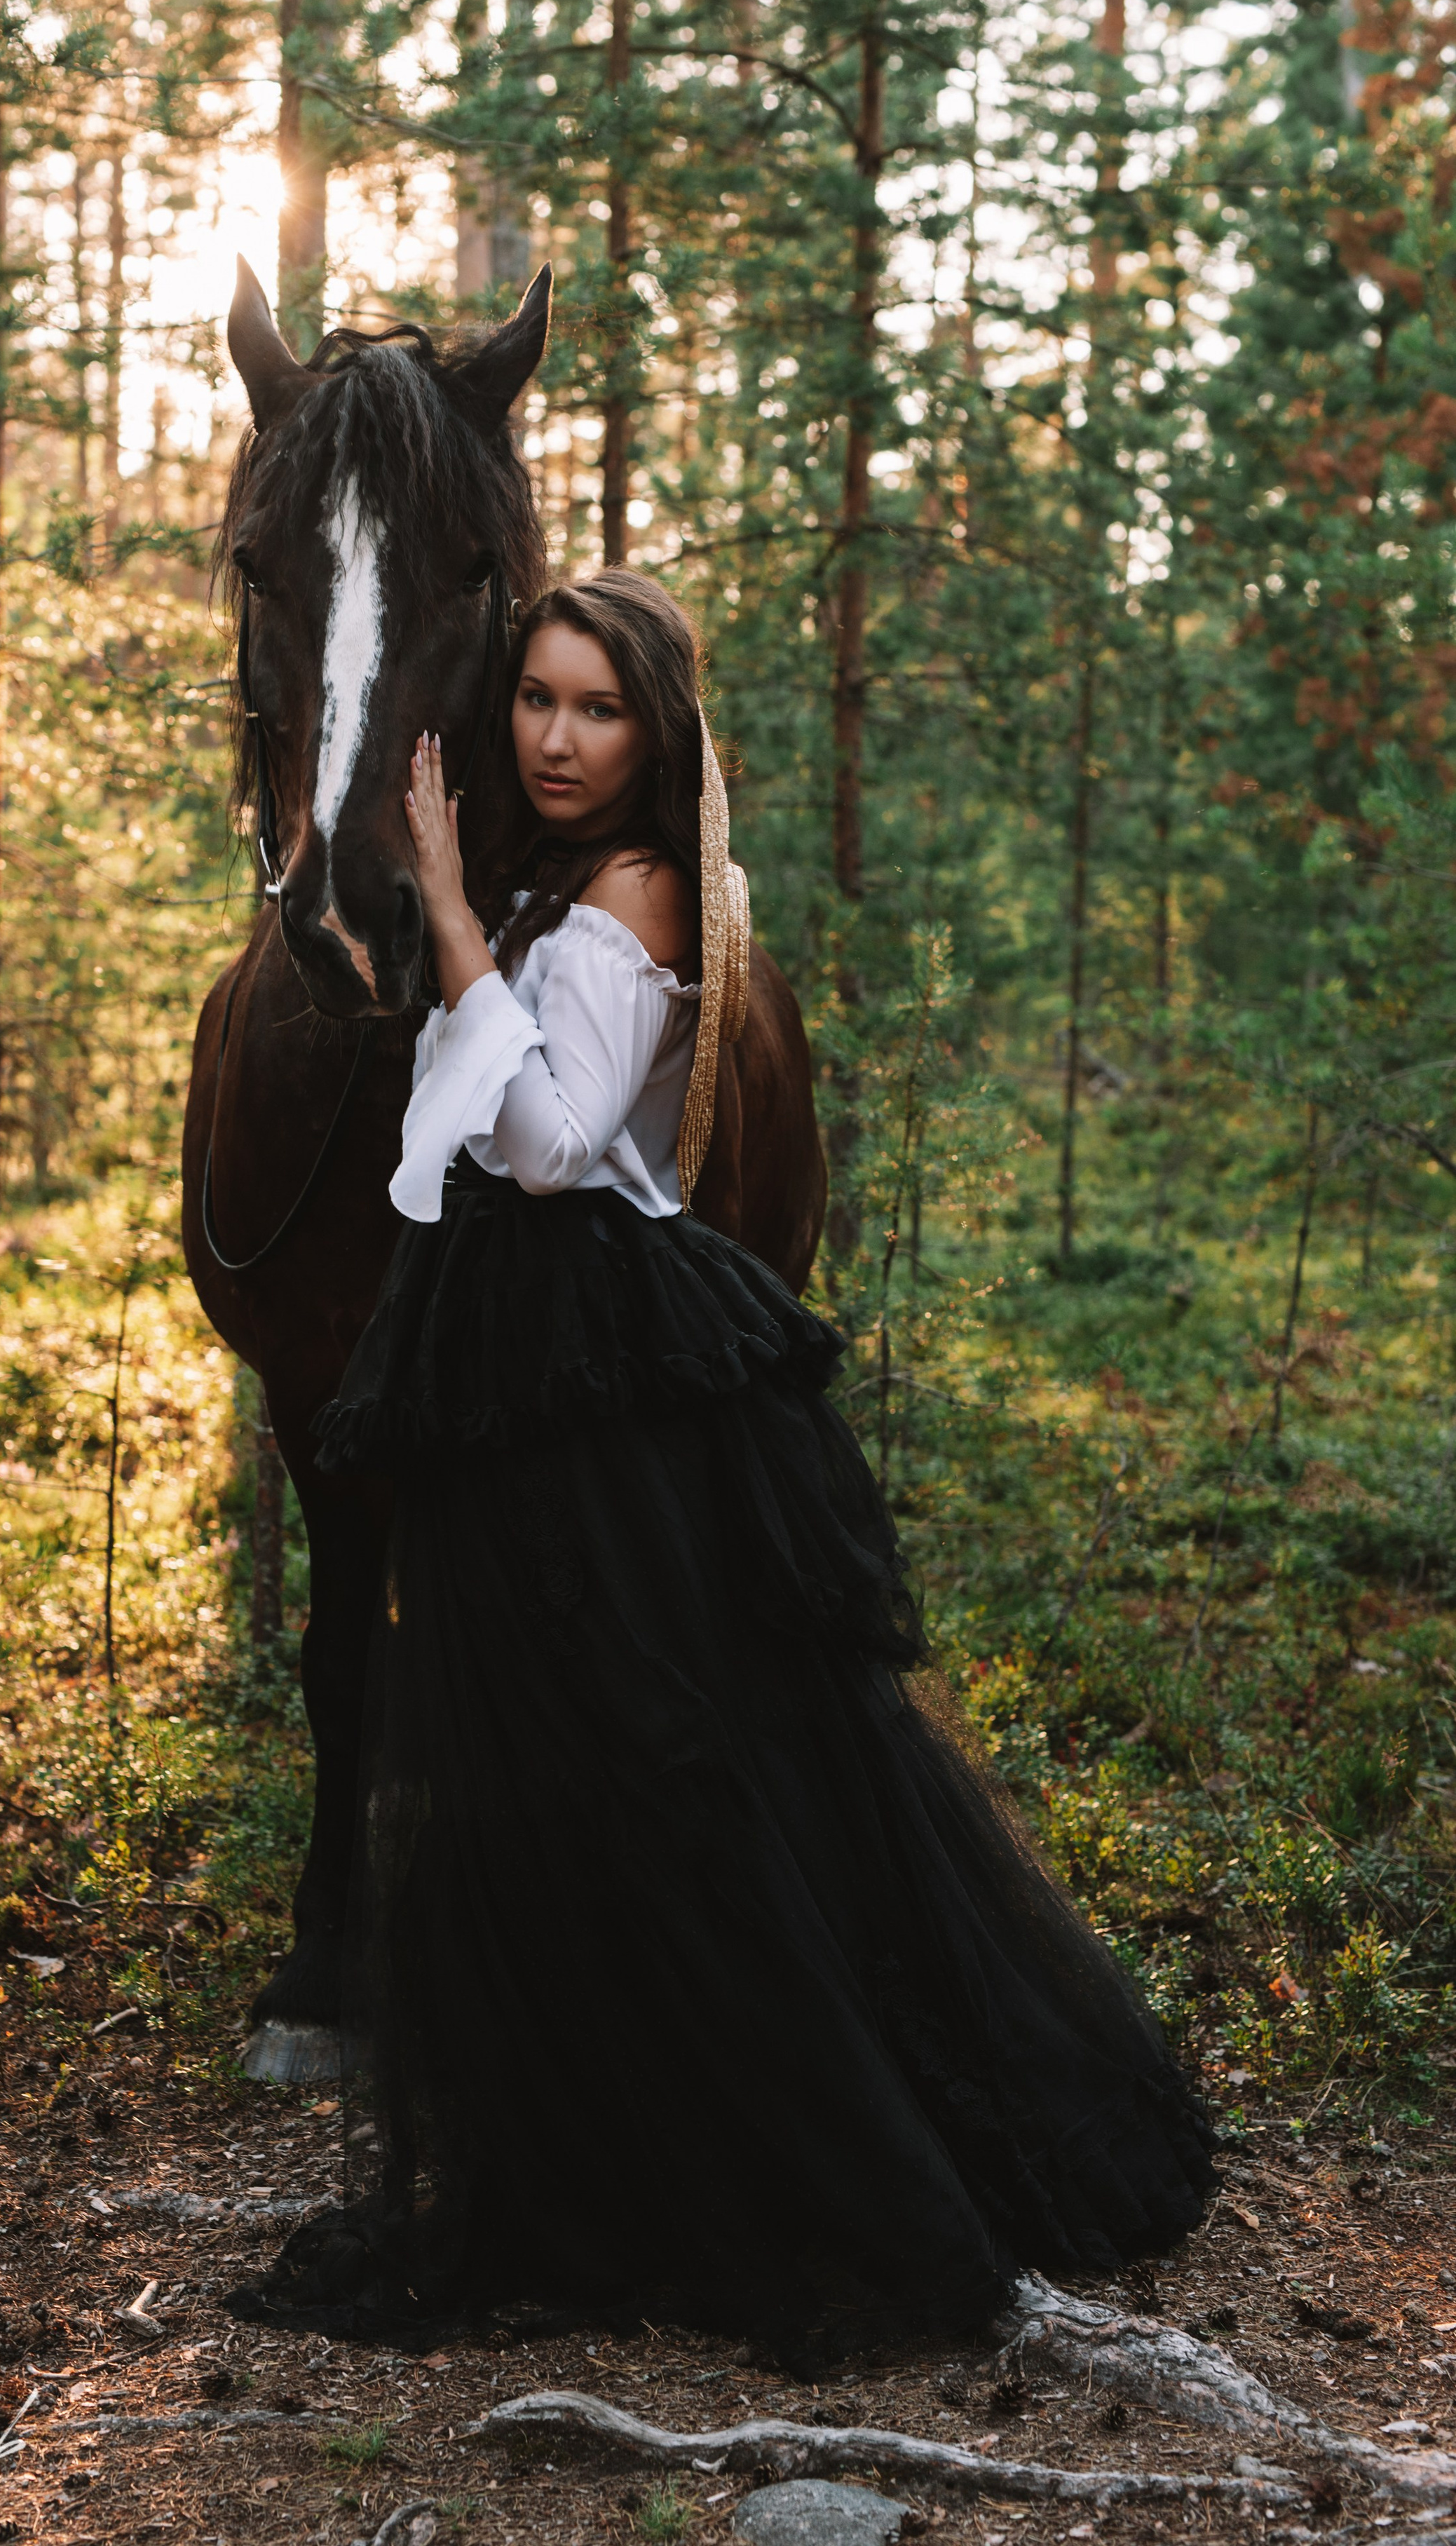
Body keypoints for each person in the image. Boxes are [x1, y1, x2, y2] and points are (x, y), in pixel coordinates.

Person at [232, 569, 1215, 2371]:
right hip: (528, 1354)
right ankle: (602, 2141)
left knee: (671, 1769)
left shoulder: (635, 888)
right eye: (533, 699)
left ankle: (798, 2158)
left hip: (599, 1365)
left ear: (654, 732)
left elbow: (543, 1149)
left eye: (596, 709)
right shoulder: (565, 883)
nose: (554, 738)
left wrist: (451, 916)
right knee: (566, 1775)